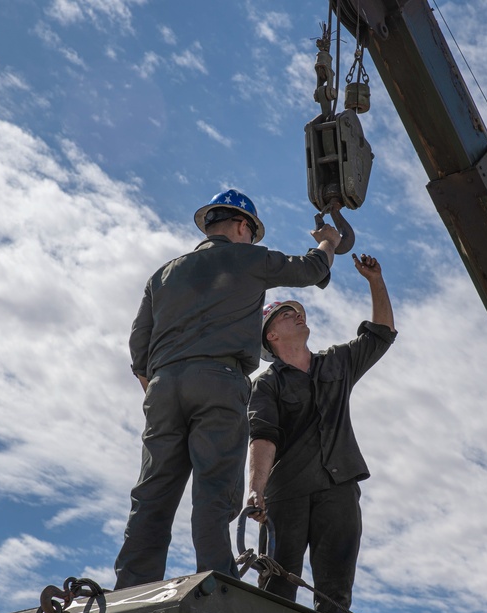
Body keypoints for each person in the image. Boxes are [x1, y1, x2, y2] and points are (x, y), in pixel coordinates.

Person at [115, 188, 343, 590]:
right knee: (214, 493)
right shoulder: (249, 259)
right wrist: (329, 242)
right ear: (242, 226)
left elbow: (138, 352)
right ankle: (217, 585)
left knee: (152, 495)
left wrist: (165, 390)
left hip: (163, 386)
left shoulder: (162, 275)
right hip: (219, 382)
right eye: (250, 234)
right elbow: (309, 270)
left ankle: (131, 589)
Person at [246, 253, 396, 613]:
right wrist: (255, 490)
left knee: (335, 594)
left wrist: (375, 280)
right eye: (287, 313)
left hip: (340, 488)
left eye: (300, 311)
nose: (300, 314)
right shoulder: (267, 384)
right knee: (278, 589)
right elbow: (263, 438)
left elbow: (381, 335)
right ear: (272, 335)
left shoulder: (337, 362)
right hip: (287, 496)